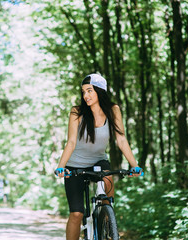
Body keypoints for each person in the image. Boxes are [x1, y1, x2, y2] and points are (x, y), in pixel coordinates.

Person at [54, 73, 142, 240]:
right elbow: (71, 142)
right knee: (76, 214)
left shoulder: (113, 110)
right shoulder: (77, 112)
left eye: (89, 91)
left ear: (100, 90)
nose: (85, 96)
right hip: (75, 165)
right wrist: (61, 166)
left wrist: (134, 165)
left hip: (99, 162)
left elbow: (121, 140)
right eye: (83, 92)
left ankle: (106, 229)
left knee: (108, 200)